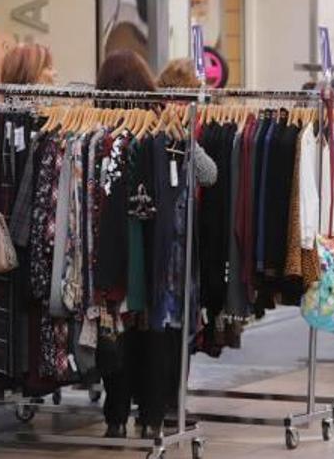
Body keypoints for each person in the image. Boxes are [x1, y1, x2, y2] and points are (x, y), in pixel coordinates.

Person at [96, 51, 216, 438]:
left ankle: (116, 415)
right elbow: (208, 173)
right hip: (161, 245)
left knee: (118, 324)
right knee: (156, 327)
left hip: (112, 245)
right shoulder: (163, 125)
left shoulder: (93, 129)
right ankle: (153, 413)